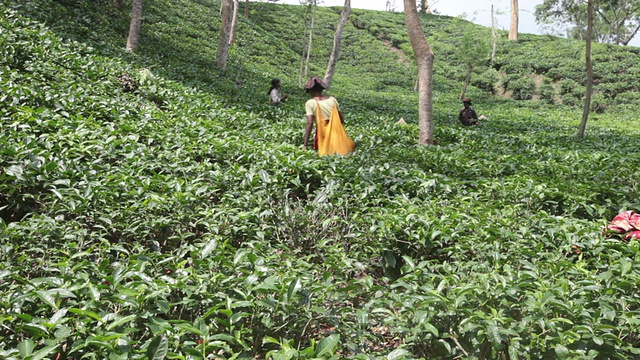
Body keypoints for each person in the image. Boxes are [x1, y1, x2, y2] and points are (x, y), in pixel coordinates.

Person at [302, 76, 355, 156]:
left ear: (311, 91)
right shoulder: (332, 100)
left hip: (322, 134)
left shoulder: (310, 103)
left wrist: (305, 145)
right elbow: (341, 118)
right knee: (341, 152)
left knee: (324, 154)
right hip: (336, 131)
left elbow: (310, 123)